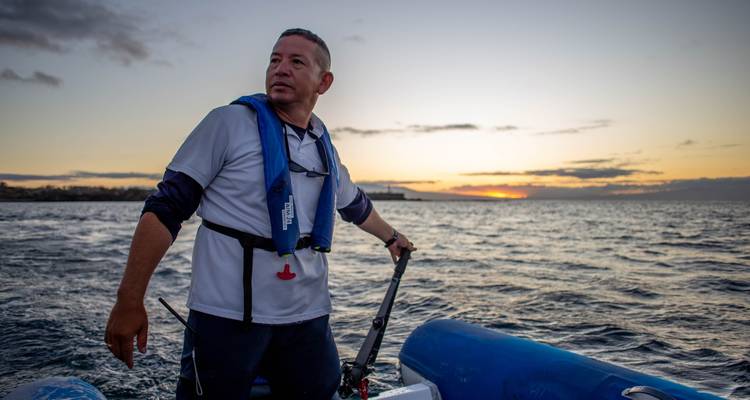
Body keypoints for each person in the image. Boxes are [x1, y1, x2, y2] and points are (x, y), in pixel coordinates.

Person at [104, 28, 415, 399]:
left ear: (324, 82)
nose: (280, 69)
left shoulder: (323, 148)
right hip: (226, 318)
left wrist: (392, 237)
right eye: (274, 59)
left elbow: (354, 205)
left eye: (296, 62)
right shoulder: (227, 124)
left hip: (307, 319)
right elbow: (165, 209)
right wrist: (129, 298)